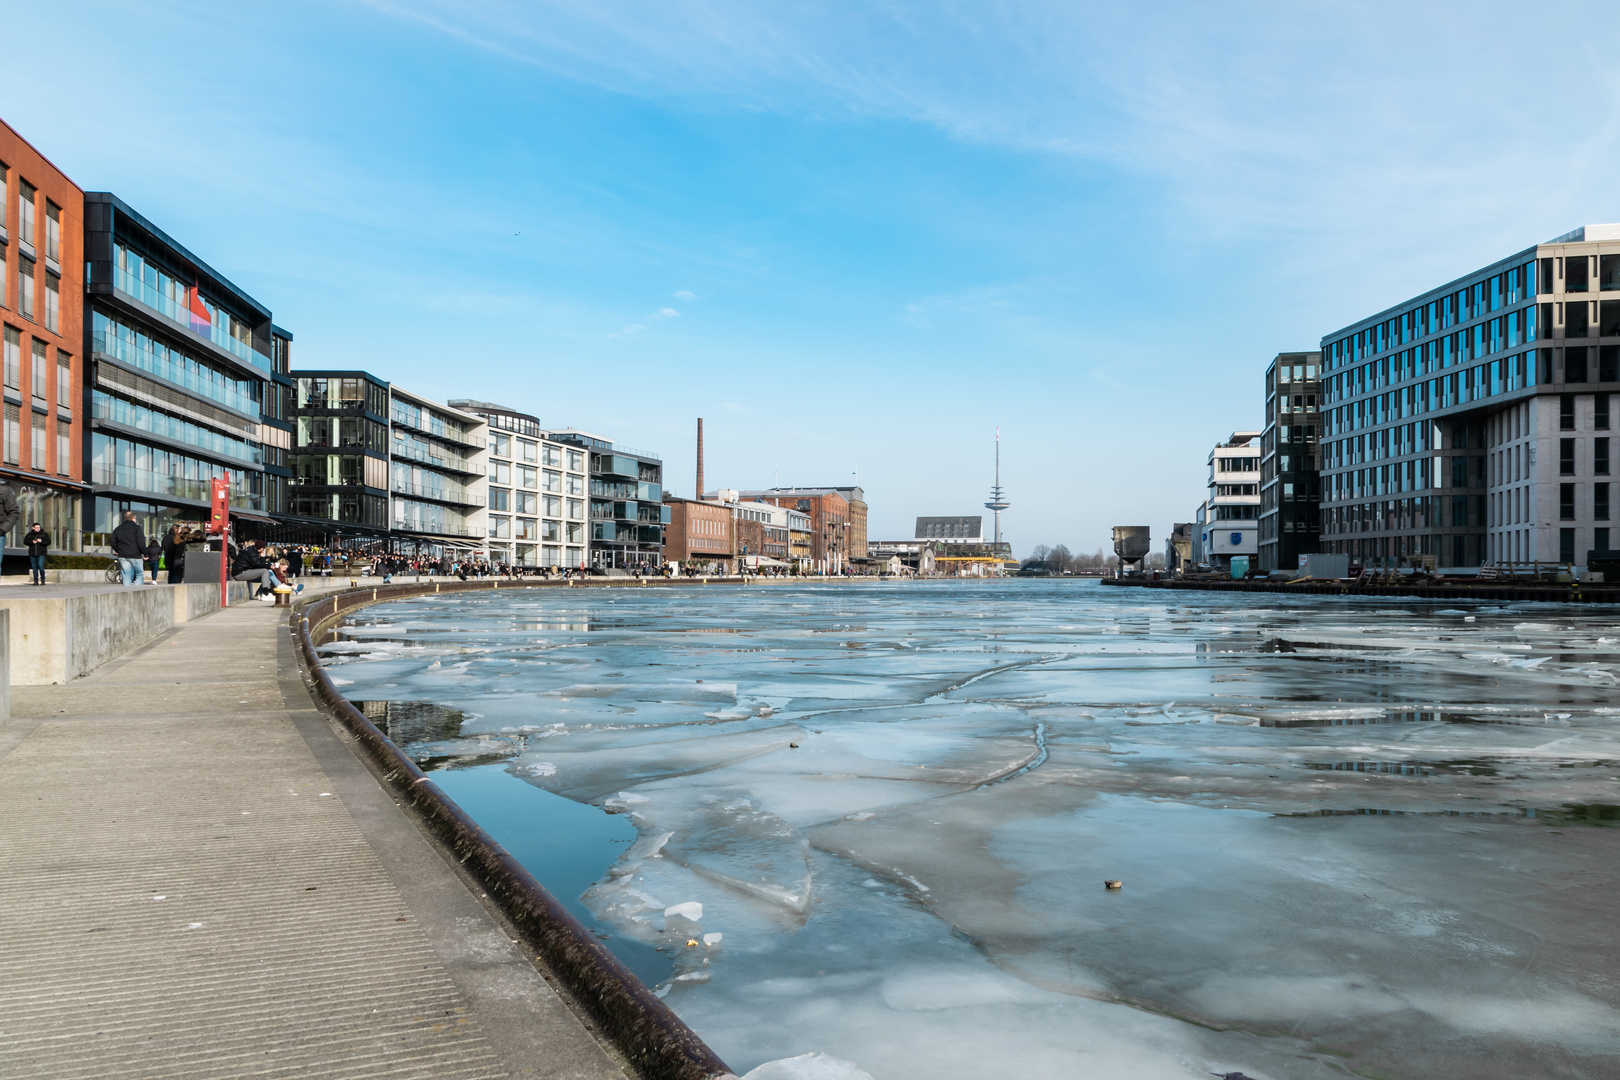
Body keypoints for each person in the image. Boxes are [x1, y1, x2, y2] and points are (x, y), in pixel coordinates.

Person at [111, 511, 147, 586]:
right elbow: (141, 542)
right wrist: (145, 553)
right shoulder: (137, 528)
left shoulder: (118, 529)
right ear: (133, 518)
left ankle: (127, 592)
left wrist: (119, 550)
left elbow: (112, 542)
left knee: (126, 575)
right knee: (139, 574)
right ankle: (136, 592)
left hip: (123, 555)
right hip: (135, 555)